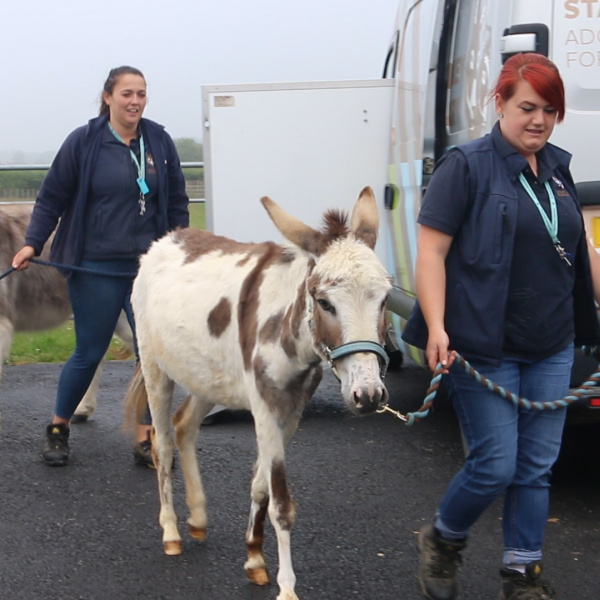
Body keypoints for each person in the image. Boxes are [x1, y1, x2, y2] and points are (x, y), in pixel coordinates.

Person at [402, 52, 600, 600]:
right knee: (495, 464)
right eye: (527, 108)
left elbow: (579, 249)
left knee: (537, 467)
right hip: (481, 346)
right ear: (501, 104)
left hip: (552, 343)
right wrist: (436, 326)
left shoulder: (557, 169)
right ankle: (443, 540)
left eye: (549, 111)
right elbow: (431, 253)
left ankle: (521, 573)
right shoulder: (464, 166)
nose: (538, 120)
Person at [12, 66, 189, 468]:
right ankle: (58, 428)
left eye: (141, 94)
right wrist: (31, 244)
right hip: (95, 268)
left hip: (150, 269)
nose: (135, 101)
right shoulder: (84, 142)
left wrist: (179, 249)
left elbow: (177, 199)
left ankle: (147, 437)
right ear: (108, 97)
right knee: (89, 352)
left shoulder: (158, 141)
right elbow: (51, 198)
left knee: (154, 356)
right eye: (127, 93)